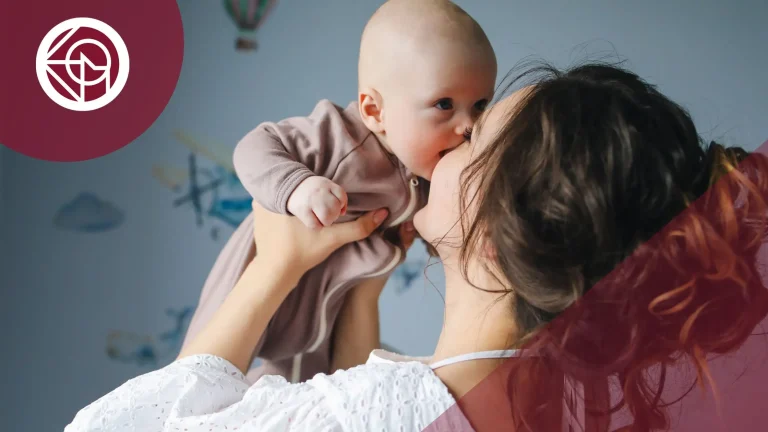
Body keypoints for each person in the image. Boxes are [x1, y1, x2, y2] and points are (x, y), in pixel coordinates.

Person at [65, 63, 768, 431]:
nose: (446, 141)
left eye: (474, 138)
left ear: (492, 235)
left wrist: (271, 270)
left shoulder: (376, 413)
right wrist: (362, 290)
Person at [180, 0, 497, 384]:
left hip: (329, 301)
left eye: (480, 105)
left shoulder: (429, 167)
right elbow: (255, 145)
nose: (468, 125)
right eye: (444, 104)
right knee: (201, 376)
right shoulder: (338, 137)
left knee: (305, 390)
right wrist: (297, 186)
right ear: (375, 111)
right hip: (265, 268)